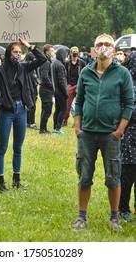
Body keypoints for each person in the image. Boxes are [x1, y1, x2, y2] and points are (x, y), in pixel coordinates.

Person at [72, 33, 134, 231]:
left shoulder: (122, 73)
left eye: (107, 44)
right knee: (84, 176)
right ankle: (82, 217)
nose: (103, 47)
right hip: (87, 134)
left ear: (113, 50)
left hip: (111, 135)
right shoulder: (86, 73)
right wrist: (77, 127)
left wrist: (120, 130)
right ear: (94, 48)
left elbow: (129, 103)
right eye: (100, 44)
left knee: (113, 177)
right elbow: (79, 100)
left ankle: (114, 217)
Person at [0, 37, 47, 193]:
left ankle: (16, 180)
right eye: (15, 52)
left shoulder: (23, 67)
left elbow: (42, 59)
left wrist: (29, 46)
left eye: (20, 52)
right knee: (2, 148)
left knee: (18, 147)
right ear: (9, 52)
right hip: (6, 111)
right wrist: (1, 102)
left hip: (21, 110)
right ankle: (1, 182)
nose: (18, 55)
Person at [118, 48, 136, 222]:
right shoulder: (127, 83)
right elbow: (126, 108)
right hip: (129, 132)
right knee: (128, 173)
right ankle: (123, 209)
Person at [62, 46, 86, 127]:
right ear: (71, 53)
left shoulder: (82, 63)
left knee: (79, 103)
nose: (75, 52)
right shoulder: (66, 63)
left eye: (76, 51)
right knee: (67, 104)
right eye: (73, 51)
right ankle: (64, 120)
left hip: (79, 84)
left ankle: (78, 122)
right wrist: (66, 84)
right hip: (70, 85)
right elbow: (64, 74)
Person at [38, 44, 55, 134]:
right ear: (47, 52)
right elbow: (44, 76)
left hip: (46, 89)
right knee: (47, 110)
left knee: (45, 109)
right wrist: (51, 85)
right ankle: (42, 129)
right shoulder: (46, 62)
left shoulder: (48, 61)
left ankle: (43, 128)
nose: (53, 53)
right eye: (52, 51)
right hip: (46, 89)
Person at [51, 48, 68, 134]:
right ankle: (58, 129)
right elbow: (62, 81)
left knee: (57, 110)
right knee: (64, 109)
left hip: (55, 91)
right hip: (61, 91)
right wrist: (66, 93)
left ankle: (55, 128)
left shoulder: (54, 63)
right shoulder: (60, 65)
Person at [24, 52, 40, 130]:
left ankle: (28, 122)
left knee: (31, 106)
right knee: (31, 106)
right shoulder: (28, 68)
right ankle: (31, 123)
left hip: (33, 89)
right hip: (30, 90)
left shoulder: (32, 68)